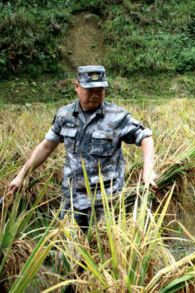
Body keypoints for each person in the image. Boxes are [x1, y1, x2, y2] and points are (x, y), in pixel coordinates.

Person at [6, 65, 157, 232]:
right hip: (73, 197)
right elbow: (46, 146)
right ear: (77, 87)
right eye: (89, 90)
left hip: (107, 200)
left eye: (100, 90)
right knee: (69, 248)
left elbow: (145, 137)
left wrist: (148, 170)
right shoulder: (65, 115)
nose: (95, 95)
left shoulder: (117, 116)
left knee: (106, 250)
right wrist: (21, 176)